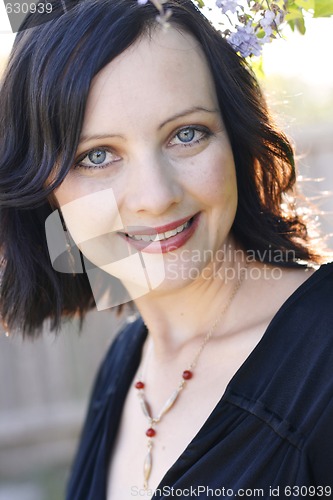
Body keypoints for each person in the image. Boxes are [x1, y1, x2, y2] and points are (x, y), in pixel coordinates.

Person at [0, 0, 333, 498]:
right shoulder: (125, 363)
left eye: (186, 134)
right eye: (97, 156)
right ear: (45, 189)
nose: (156, 197)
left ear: (235, 138)